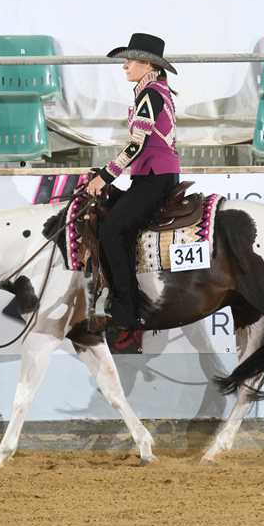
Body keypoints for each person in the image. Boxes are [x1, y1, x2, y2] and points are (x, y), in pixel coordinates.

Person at [86, 33, 181, 330]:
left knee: (112, 230)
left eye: (130, 60)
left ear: (148, 64)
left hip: (155, 177)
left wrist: (105, 176)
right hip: (153, 176)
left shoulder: (150, 94)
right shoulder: (154, 91)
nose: (125, 66)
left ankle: (127, 310)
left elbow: (136, 144)